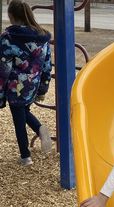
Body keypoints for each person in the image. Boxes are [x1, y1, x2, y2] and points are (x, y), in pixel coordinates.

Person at [0, 0, 52, 166]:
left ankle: (25, 156)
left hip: (15, 85)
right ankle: (40, 129)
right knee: (24, 110)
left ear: (12, 16)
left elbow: (4, 67)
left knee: (18, 118)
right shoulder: (42, 37)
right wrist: (43, 86)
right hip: (33, 83)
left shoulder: (8, 38)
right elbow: (46, 64)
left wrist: (1, 91)